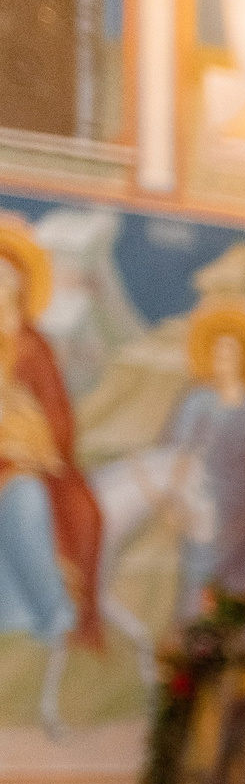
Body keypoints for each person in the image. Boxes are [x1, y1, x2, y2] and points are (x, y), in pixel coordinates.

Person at [0, 231, 101, 741]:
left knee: (33, 502)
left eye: (7, 280)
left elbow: (58, 415)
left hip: (29, 468)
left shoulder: (35, 346)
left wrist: (33, 435)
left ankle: (52, 609)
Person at [165, 306, 245, 622]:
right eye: (218, 354)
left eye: (231, 354)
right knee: (203, 585)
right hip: (208, 507)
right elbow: (179, 454)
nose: (223, 360)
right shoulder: (198, 401)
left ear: (242, 358)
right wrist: (174, 504)